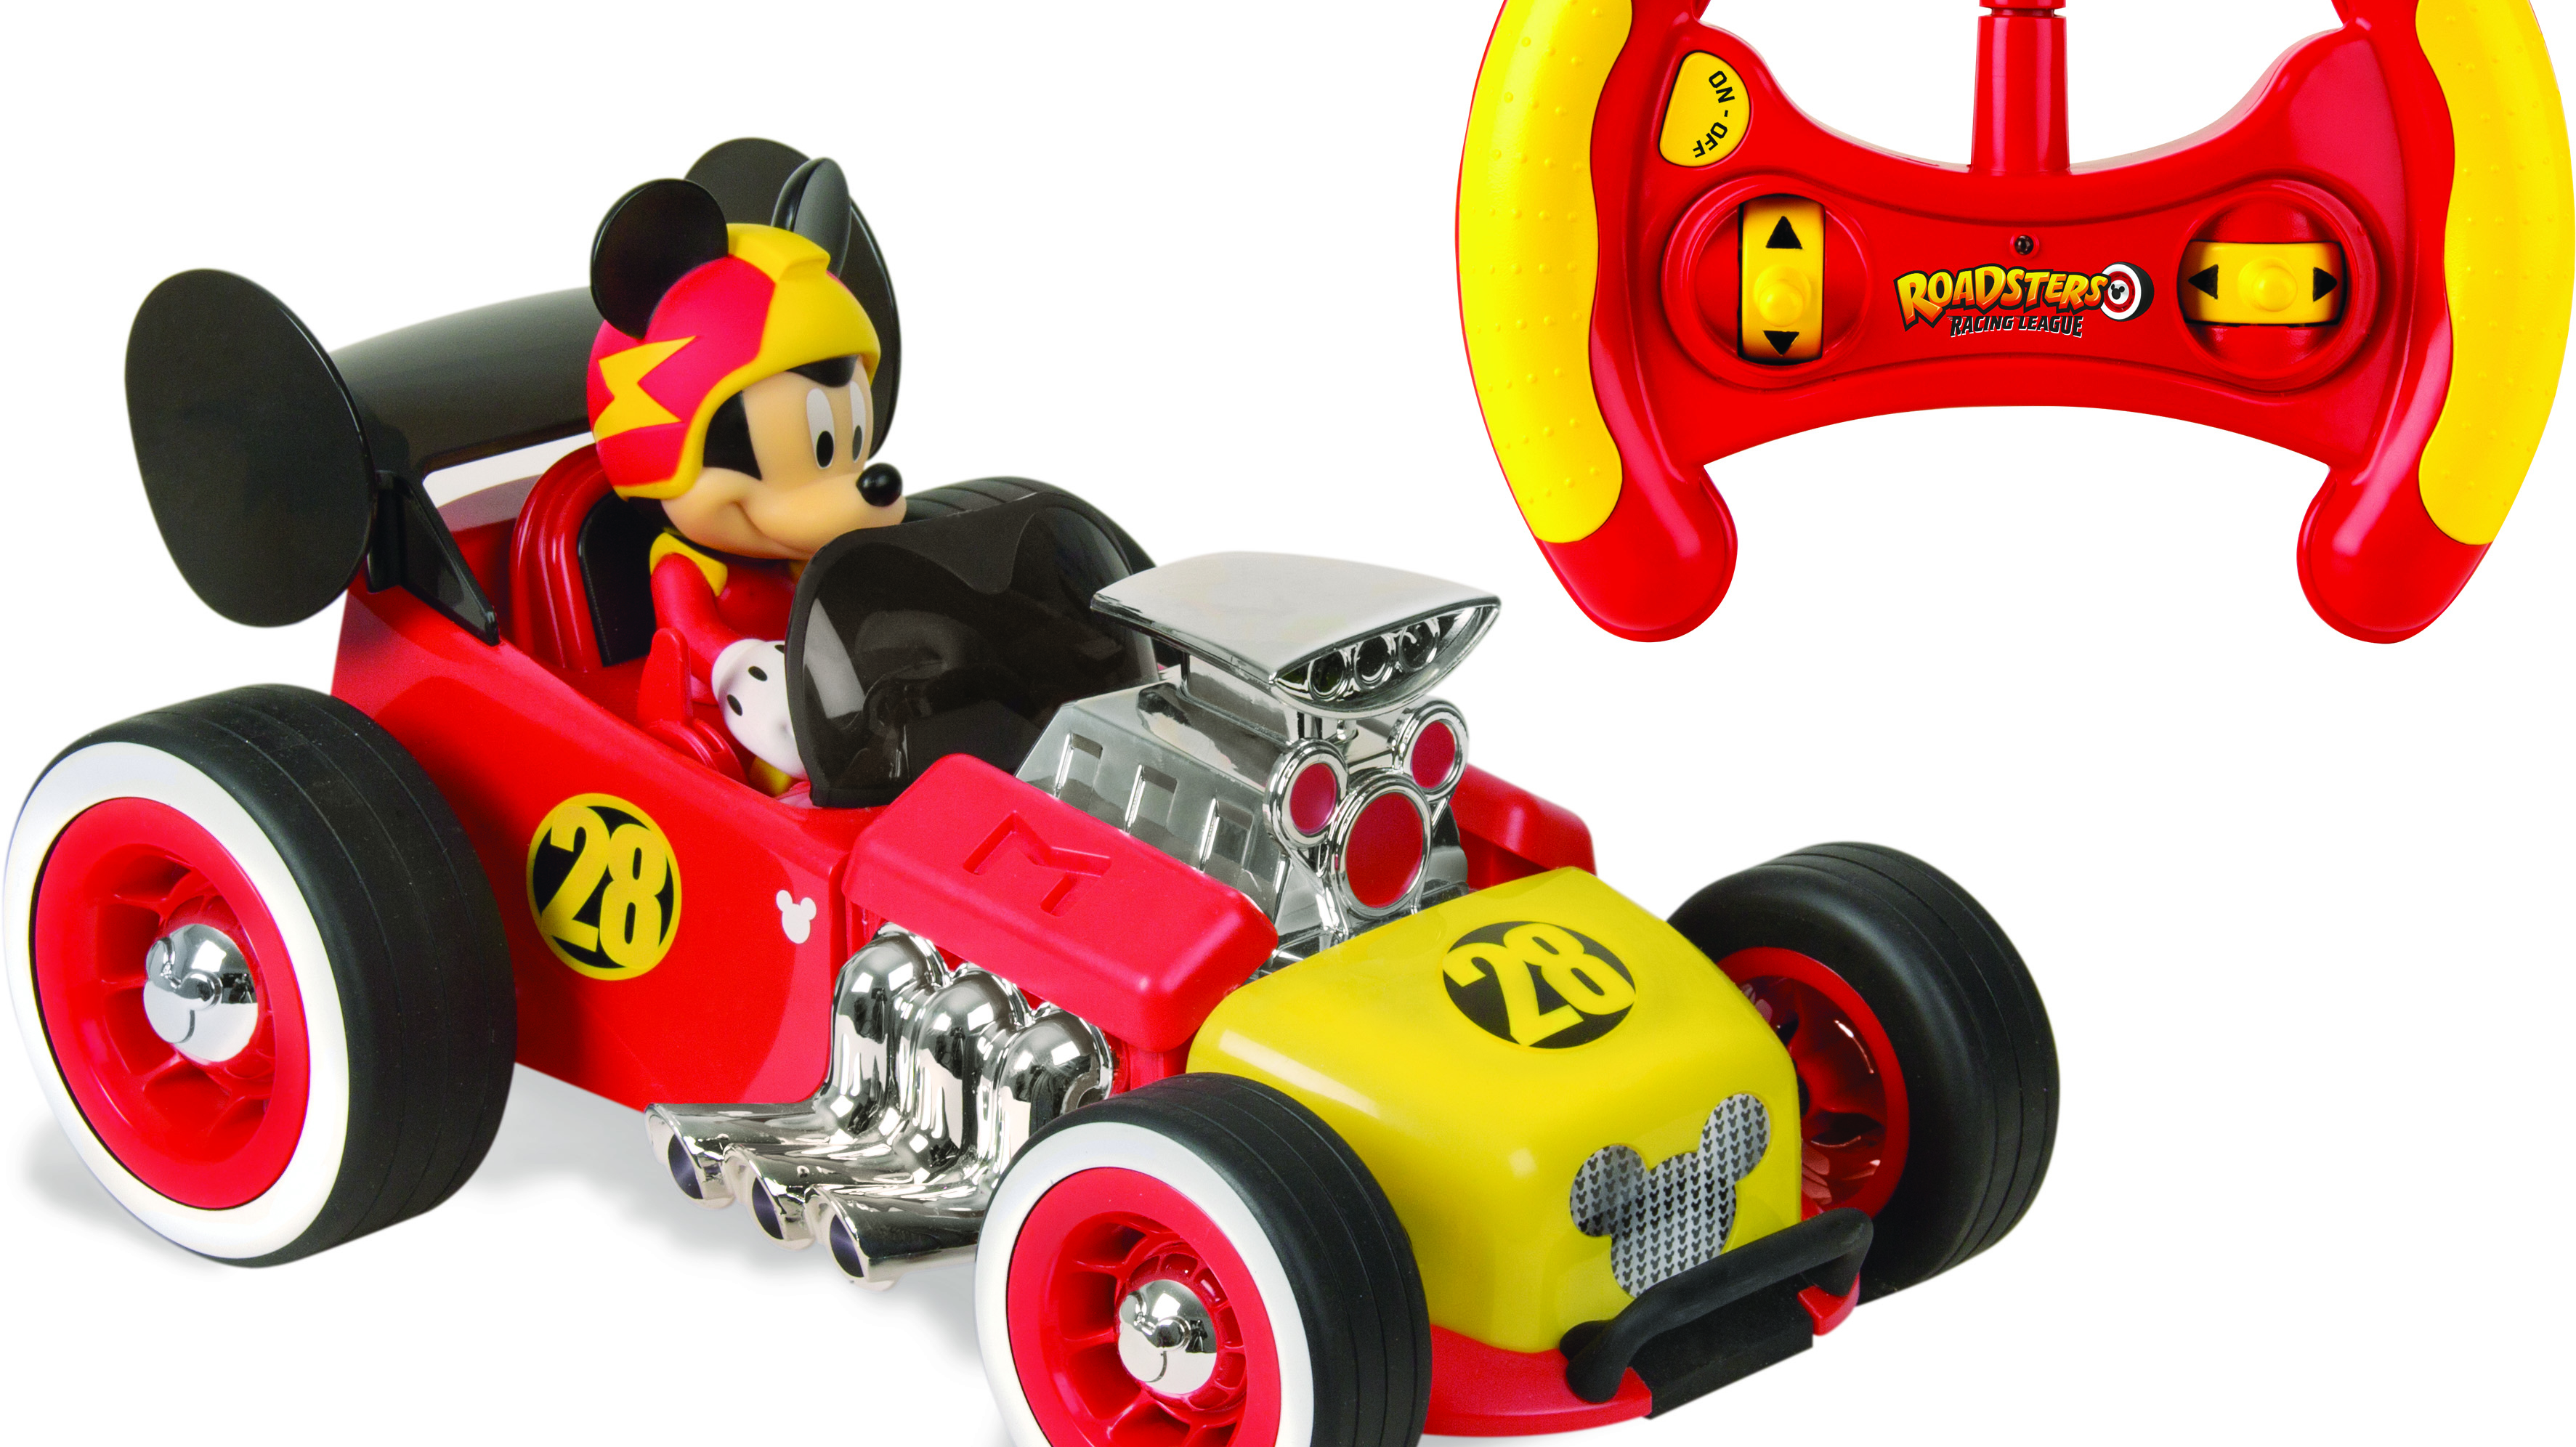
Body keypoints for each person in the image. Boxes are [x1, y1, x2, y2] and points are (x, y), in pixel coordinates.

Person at [582, 162, 904, 791]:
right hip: (721, 711)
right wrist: (743, 661)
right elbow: (692, 633)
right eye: (819, 450)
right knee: (790, 770)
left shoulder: (795, 553)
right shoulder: (685, 565)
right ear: (663, 453)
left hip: (813, 692)